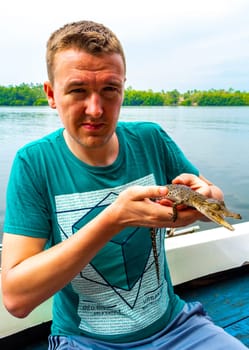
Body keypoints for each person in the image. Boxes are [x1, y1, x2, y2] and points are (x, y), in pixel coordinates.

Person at [1, 20, 246, 350]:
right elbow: (16, 299)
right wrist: (113, 219)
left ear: (123, 89)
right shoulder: (34, 162)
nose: (96, 109)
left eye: (109, 90)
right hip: (84, 340)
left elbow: (208, 193)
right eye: (77, 90)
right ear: (51, 95)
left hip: (175, 325)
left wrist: (206, 200)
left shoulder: (151, 139)